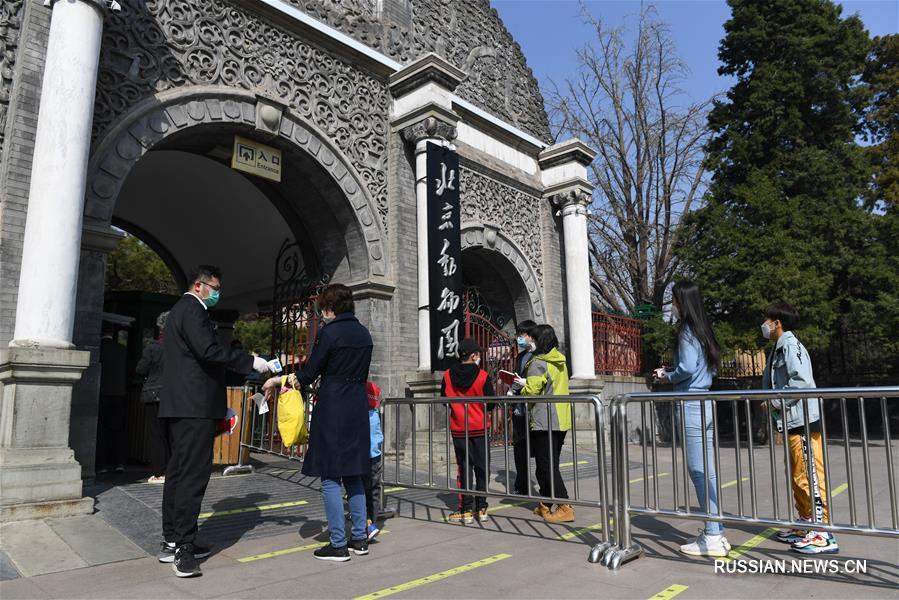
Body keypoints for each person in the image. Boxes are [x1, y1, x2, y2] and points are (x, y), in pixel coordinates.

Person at [159, 266, 274, 577]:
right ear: (199, 285)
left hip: (182, 404)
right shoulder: (193, 310)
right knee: (192, 476)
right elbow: (209, 351)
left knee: (178, 473)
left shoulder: (180, 310)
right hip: (194, 406)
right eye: (215, 287)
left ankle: (173, 538)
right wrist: (250, 361)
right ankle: (183, 547)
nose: (217, 293)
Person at [263, 283, 373, 562]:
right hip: (357, 405)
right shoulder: (364, 333)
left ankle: (338, 543)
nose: (321, 313)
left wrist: (278, 380)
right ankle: (360, 538)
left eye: (323, 308)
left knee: (330, 476)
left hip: (334, 406)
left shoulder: (330, 333)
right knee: (355, 474)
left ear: (330, 308)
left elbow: (309, 374)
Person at [653, 280, 730, 558]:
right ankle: (715, 530)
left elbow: (686, 367)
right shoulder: (702, 329)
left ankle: (712, 536)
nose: (672, 305)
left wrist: (667, 376)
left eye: (674, 300)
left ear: (682, 301)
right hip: (704, 402)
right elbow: (700, 366)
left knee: (698, 471)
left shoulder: (686, 330)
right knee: (707, 470)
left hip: (690, 404)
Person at [761, 302, 837, 554]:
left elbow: (801, 383)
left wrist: (774, 401)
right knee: (798, 475)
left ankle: (822, 532)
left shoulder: (791, 347)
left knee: (809, 475)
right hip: (792, 420)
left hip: (802, 419)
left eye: (767, 320)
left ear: (777, 323)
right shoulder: (779, 348)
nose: (764, 325)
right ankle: (806, 523)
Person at [514, 324, 574, 523]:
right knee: (548, 464)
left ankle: (564, 505)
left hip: (544, 419)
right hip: (560, 418)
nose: (529, 340)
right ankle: (546, 503)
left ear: (539, 340)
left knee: (546, 465)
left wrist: (520, 387)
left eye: (532, 337)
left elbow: (532, 391)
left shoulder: (538, 362)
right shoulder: (560, 360)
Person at [441, 338, 495, 524]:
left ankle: (466, 509)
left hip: (459, 428)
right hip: (479, 427)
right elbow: (491, 403)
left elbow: (444, 400)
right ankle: (481, 507)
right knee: (482, 468)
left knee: (464, 468)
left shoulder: (447, 375)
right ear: (474, 356)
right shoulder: (483, 376)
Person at [136, 310, 170, 483]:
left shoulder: (152, 347)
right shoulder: (180, 348)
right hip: (175, 395)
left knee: (157, 434)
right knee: (172, 434)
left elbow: (141, 369)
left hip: (154, 394)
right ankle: (172, 470)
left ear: (160, 328)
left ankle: (160, 472)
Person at [509, 320, 537, 495]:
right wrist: (512, 387)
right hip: (519, 409)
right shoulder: (520, 356)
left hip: (534, 410)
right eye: (518, 335)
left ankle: (545, 485)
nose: (519, 338)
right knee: (519, 448)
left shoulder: (539, 355)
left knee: (538, 449)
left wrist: (526, 383)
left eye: (522, 335)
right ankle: (522, 484)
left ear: (531, 336)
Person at [96, 323, 128, 474]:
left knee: (101, 430)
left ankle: (102, 465)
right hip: (119, 394)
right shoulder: (121, 349)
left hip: (102, 393)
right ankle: (119, 462)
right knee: (117, 430)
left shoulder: (99, 349)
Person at [362, 381, 384, 541]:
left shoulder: (360, 416)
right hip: (375, 457)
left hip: (362, 458)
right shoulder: (375, 415)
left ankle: (366, 524)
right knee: (374, 491)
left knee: (360, 491)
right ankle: (372, 521)